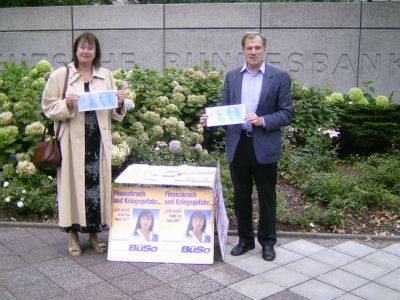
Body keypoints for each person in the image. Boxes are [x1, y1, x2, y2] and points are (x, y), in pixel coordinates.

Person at [200, 32, 293, 261]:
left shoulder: (279, 77)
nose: (253, 52)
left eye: (257, 48)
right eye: (249, 48)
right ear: (243, 50)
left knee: (266, 197)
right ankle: (245, 240)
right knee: (241, 196)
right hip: (238, 143)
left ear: (264, 50)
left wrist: (263, 121)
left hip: (265, 144)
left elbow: (287, 112)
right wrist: (210, 120)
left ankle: (268, 242)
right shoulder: (232, 77)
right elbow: (226, 109)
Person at [41, 32, 127, 257]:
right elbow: (48, 107)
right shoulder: (62, 75)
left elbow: (114, 112)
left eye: (90, 48)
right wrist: (66, 104)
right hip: (72, 143)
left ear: (96, 52)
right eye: (82, 47)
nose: (86, 51)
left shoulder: (105, 75)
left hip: (97, 143)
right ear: (76, 50)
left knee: (95, 191)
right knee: (72, 189)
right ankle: (72, 238)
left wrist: (119, 103)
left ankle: (94, 236)